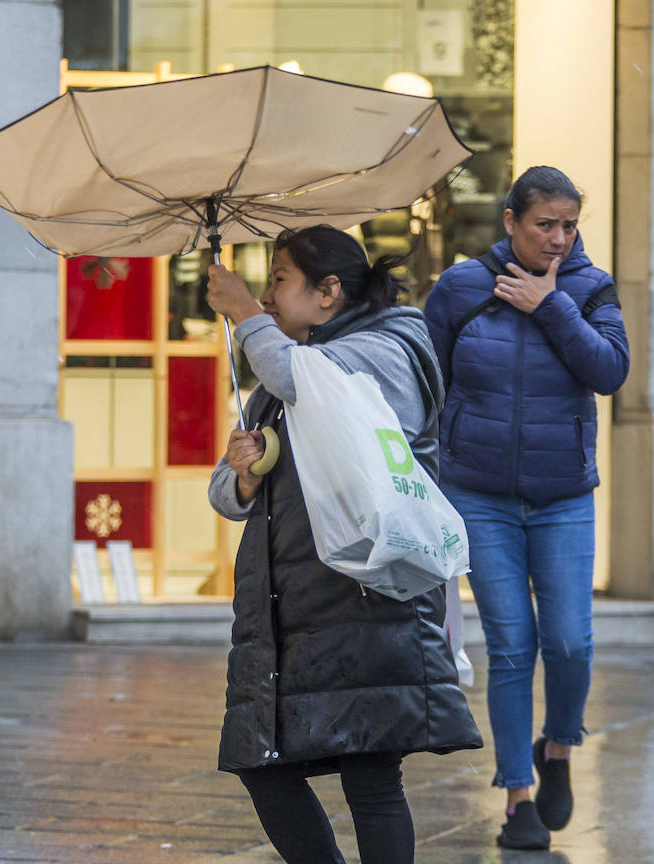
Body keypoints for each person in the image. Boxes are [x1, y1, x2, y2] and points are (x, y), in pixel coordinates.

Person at [204, 225, 482, 864]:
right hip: (291, 608)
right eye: (268, 282)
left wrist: (244, 314)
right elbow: (225, 492)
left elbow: (312, 378)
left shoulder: (384, 350)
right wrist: (244, 476)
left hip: (370, 598)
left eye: (279, 279)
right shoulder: (285, 373)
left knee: (370, 771)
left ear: (328, 290)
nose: (269, 294)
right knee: (262, 763)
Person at [423, 166, 630, 850]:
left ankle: (559, 748)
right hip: (477, 495)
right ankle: (517, 796)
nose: (560, 238)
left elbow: (609, 372)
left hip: (563, 496)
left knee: (569, 642)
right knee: (512, 646)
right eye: (546, 224)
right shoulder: (460, 288)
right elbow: (429, 384)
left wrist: (551, 306)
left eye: (570, 225)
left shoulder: (589, 287)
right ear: (510, 220)